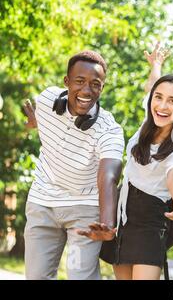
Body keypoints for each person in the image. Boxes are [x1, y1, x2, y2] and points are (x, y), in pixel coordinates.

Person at [23, 50, 124, 280]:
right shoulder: (47, 100)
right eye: (79, 81)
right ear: (66, 82)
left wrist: (107, 224)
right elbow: (40, 119)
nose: (87, 91)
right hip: (43, 202)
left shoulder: (110, 130)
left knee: (80, 276)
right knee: (36, 276)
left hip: (83, 210)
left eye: (95, 84)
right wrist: (34, 122)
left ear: (102, 88)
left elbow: (108, 176)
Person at [100, 43, 173, 280]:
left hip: (151, 220)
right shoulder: (149, 119)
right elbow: (150, 87)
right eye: (159, 98)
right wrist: (156, 65)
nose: (162, 106)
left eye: (172, 101)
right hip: (123, 213)